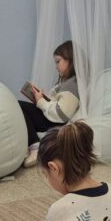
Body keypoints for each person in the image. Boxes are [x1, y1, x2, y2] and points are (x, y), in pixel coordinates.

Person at [19, 40, 79, 168]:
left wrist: (41, 102)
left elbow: (62, 114)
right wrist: (42, 99)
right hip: (52, 118)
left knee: (19, 106)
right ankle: (32, 144)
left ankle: (35, 146)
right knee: (21, 109)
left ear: (70, 60)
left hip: (55, 122)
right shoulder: (68, 82)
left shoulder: (72, 85)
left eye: (58, 61)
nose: (56, 66)